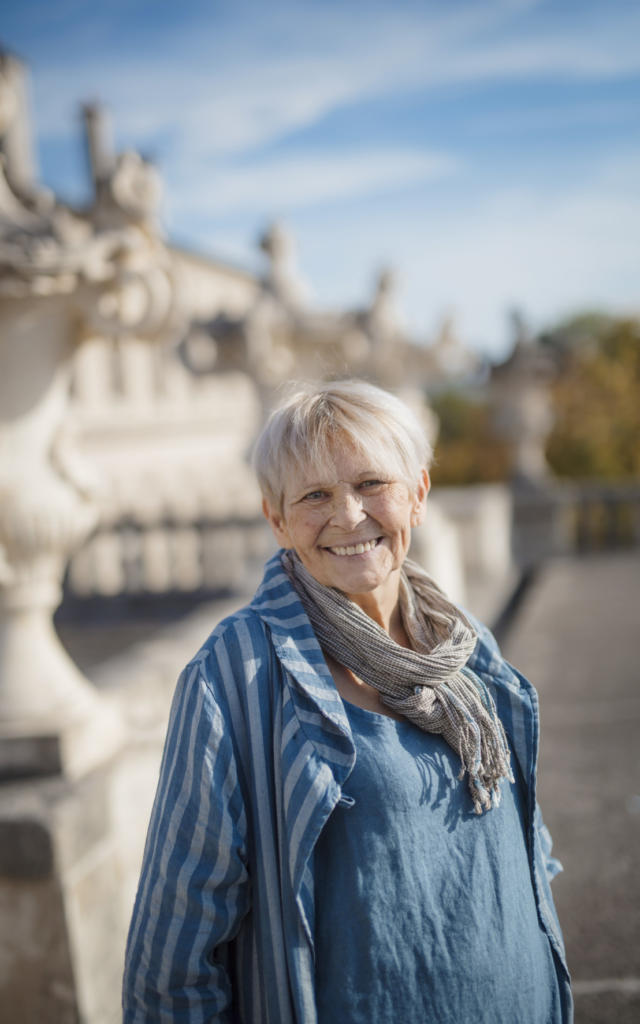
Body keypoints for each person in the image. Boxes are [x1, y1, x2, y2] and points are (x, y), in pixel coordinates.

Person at [122, 379, 572, 1023]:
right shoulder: (235, 676)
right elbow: (173, 959)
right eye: (314, 496)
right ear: (276, 519)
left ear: (417, 495)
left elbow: (529, 850)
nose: (349, 516)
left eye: (371, 484)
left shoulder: (465, 647)